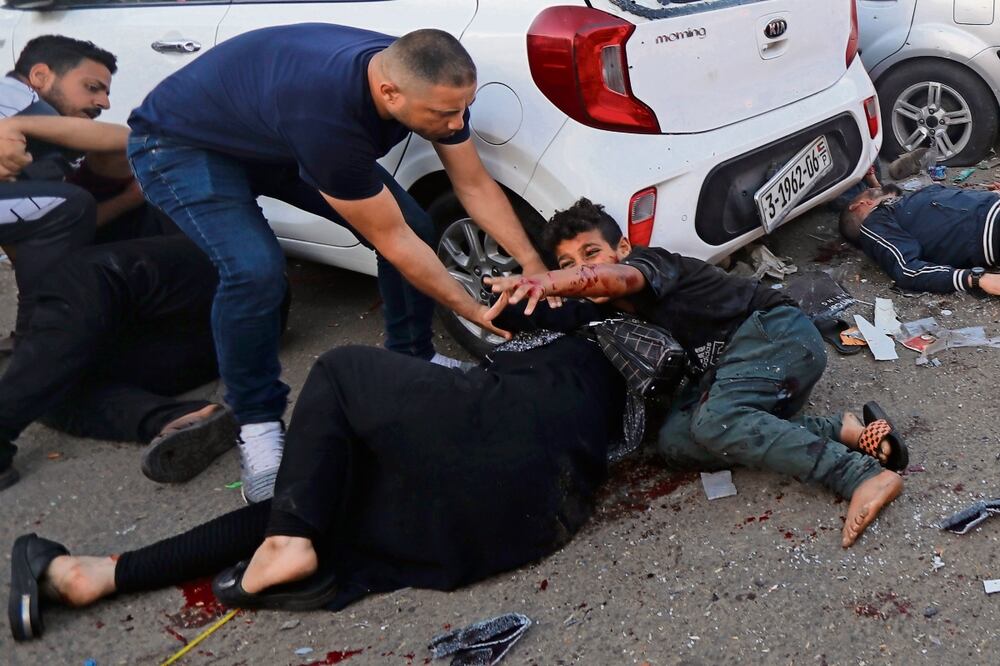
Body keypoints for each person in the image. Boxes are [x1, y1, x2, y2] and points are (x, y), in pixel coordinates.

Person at [7, 297, 625, 641]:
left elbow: (690, 304)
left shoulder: (630, 320)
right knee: (318, 492)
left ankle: (287, 542)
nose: (579, 275)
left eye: (591, 256)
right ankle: (95, 575)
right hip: (520, 515)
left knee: (341, 368)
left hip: (510, 456)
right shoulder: (550, 317)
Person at [126, 24, 551, 502]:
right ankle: (258, 425)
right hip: (182, 146)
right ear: (389, 93)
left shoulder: (425, 78)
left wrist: (534, 264)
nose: (457, 123)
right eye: (445, 114)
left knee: (417, 226)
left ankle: (412, 356)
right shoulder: (328, 116)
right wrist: (467, 307)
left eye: (462, 108)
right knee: (255, 271)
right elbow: (390, 240)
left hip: (272, 134)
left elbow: (473, 184)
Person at [487, 198, 906, 549]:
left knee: (717, 422)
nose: (580, 269)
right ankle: (839, 428)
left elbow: (618, 279)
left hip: (777, 335)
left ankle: (860, 475)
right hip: (732, 371)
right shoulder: (601, 313)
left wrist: (556, 280)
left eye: (590, 254)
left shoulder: (652, 264)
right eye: (567, 263)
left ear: (622, 248)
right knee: (674, 443)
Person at [0, 235, 275, 491]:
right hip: (216, 339)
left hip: (226, 288)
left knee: (52, 345)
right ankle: (179, 418)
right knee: (50, 387)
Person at [0, 35, 167, 354]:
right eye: (92, 87)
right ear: (40, 77)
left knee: (66, 204)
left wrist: (125, 202)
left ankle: (36, 334)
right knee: (70, 203)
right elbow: (126, 140)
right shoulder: (17, 98)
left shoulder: (39, 139)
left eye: (106, 92)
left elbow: (33, 235)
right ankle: (42, 337)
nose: (104, 102)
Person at [839, 182, 1000, 294]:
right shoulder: (873, 223)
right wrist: (976, 278)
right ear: (858, 205)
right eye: (868, 189)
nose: (873, 186)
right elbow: (908, 270)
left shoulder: (907, 201)